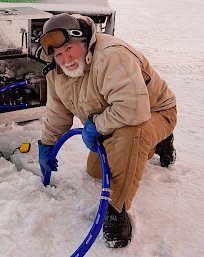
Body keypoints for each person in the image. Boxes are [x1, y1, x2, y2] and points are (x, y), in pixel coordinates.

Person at [38, 13, 177, 248]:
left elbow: (133, 109)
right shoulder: (57, 72)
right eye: (59, 54)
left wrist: (95, 126)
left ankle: (117, 210)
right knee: (96, 170)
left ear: (83, 41)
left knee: (134, 134)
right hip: (111, 120)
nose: (66, 58)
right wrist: (48, 145)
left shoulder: (112, 56)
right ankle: (155, 144)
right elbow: (57, 113)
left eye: (70, 49)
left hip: (154, 113)